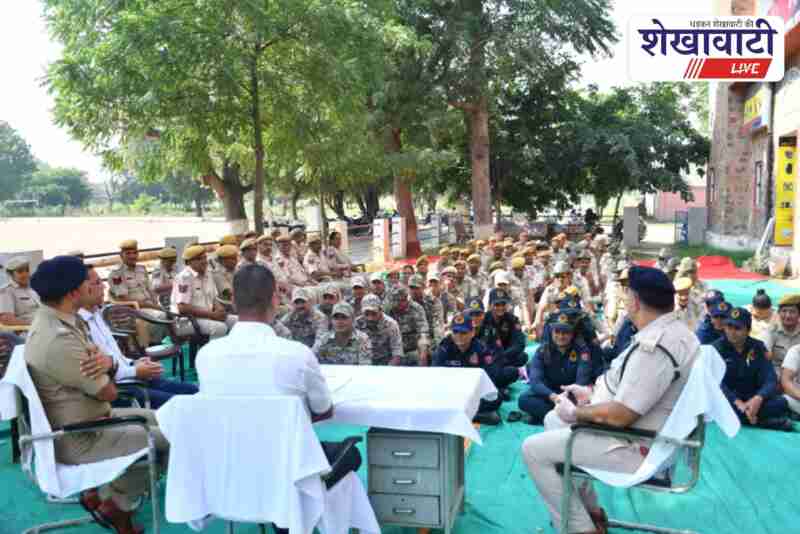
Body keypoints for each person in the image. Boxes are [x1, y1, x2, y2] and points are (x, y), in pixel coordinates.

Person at [521, 266, 699, 534]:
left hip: (633, 445)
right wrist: (591, 396)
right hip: (635, 434)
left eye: (627, 293)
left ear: (636, 301)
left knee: (533, 449)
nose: (625, 299)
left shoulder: (657, 347)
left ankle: (580, 529)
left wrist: (578, 413)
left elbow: (621, 416)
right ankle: (591, 513)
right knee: (551, 417)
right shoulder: (676, 333)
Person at [195, 264, 362, 534]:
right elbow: (323, 410)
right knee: (350, 454)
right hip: (286, 473)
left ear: (234, 302)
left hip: (229, 471)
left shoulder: (206, 356)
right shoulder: (296, 354)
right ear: (275, 298)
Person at [25, 256, 169, 534]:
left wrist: (110, 364)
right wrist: (107, 369)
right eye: (86, 282)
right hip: (82, 436)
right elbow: (110, 391)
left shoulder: (62, 322)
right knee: (174, 437)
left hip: (92, 419)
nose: (94, 286)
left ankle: (112, 496)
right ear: (72, 293)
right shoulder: (58, 339)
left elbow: (104, 366)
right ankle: (116, 503)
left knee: (165, 419)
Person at [79, 265, 198, 409]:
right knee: (185, 405)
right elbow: (103, 376)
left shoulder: (96, 314)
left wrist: (135, 362)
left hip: (132, 375)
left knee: (196, 392)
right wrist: (135, 370)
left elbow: (115, 358)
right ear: (81, 289)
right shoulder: (80, 326)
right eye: (97, 283)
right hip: (123, 389)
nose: (104, 287)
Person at [714, 307, 792, 431]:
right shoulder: (716, 349)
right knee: (724, 409)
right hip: (728, 400)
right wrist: (737, 402)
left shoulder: (758, 347)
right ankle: (765, 422)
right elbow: (716, 383)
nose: (732, 332)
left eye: (737, 328)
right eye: (729, 327)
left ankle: (748, 417)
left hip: (752, 399)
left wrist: (758, 398)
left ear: (748, 330)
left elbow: (770, 379)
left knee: (782, 403)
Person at [517, 311, 593, 425]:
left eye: (565, 332)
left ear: (572, 333)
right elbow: (535, 381)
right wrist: (554, 397)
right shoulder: (542, 351)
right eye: (557, 332)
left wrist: (566, 398)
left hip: (572, 395)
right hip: (551, 395)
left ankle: (549, 416)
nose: (561, 336)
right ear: (552, 332)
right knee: (524, 400)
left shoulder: (582, 350)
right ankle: (565, 417)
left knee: (588, 403)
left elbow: (581, 381)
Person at [432, 312, 504, 425]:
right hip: (450, 393)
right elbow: (435, 375)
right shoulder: (444, 348)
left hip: (472, 393)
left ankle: (456, 414)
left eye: (463, 332)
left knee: (497, 397)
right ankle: (476, 415)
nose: (459, 336)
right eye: (455, 332)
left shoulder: (481, 349)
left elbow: (491, 377)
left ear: (472, 333)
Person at [107, 239, 169, 347]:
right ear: (121, 255)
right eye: (128, 253)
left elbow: (150, 290)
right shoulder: (117, 273)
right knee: (162, 316)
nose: (132, 256)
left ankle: (159, 343)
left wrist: (156, 303)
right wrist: (154, 307)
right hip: (133, 309)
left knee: (171, 312)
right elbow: (124, 299)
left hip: (149, 306)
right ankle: (153, 346)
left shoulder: (142, 269)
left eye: (135, 253)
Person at [172, 245, 236, 339]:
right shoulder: (184, 278)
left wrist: (220, 310)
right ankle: (212, 353)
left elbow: (214, 298)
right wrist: (212, 314)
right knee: (220, 328)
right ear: (188, 262)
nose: (204, 261)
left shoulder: (208, 274)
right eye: (198, 259)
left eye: (204, 258)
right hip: (187, 321)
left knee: (238, 322)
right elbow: (182, 308)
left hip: (209, 316)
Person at [479, 288, 528, 368]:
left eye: (503, 304)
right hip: (488, 355)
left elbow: (519, 343)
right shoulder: (483, 319)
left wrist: (502, 355)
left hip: (505, 354)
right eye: (497, 304)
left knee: (522, 357)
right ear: (490, 305)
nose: (500, 307)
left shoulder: (512, 319)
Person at [384, 286, 431, 366]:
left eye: (402, 300)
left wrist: (423, 354)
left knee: (424, 355)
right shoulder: (387, 309)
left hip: (412, 349)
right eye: (396, 300)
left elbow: (423, 333)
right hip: (391, 350)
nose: (399, 303)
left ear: (407, 299)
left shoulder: (416, 308)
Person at [354, 294, 403, 365]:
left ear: (380, 310)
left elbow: (397, 351)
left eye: (374, 313)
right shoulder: (357, 323)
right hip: (363, 362)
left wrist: (388, 370)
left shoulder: (391, 324)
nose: (370, 318)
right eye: (366, 314)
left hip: (385, 363)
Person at [763, 294, 800, 373]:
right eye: (784, 311)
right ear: (779, 313)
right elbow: (765, 354)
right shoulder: (771, 331)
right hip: (777, 371)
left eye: (792, 312)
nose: (787, 316)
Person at [0, 256, 40, 327]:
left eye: (27, 270)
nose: (25, 274)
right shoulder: (7, 291)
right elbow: (6, 319)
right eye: (20, 271)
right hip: (27, 332)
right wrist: (35, 325)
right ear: (11, 274)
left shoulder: (32, 289)